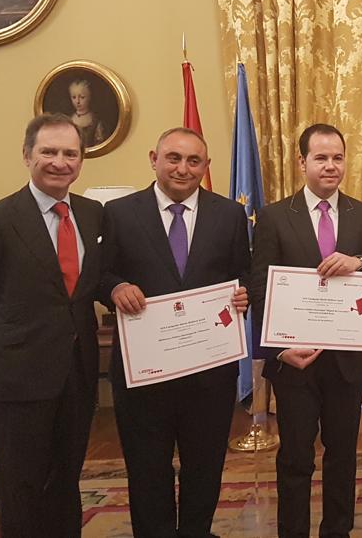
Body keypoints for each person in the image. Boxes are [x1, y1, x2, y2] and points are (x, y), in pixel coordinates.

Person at [0, 114, 103, 537]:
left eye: (70, 153)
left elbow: (94, 284)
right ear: (27, 156)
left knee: (66, 481)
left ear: (81, 160)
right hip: (16, 379)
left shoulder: (92, 216)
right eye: (49, 152)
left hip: (75, 374)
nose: (60, 162)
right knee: (21, 487)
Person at [100, 127, 251, 538]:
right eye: (173, 158)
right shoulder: (118, 213)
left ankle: (196, 532)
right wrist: (115, 287)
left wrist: (245, 295)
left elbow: (244, 273)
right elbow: (99, 273)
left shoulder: (229, 214)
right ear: (154, 158)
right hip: (144, 373)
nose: (183, 169)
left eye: (193, 161)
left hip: (209, 371)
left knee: (205, 465)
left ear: (206, 167)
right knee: (148, 467)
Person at [253, 123, 362, 538]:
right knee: (295, 457)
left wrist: (358, 262)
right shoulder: (275, 216)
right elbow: (259, 287)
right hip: (295, 361)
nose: (331, 166)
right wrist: (277, 351)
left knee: (342, 455)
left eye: (338, 158)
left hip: (347, 360)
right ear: (302, 162)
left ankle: (338, 531)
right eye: (321, 158)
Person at [67, 78, 109, 147]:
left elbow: (99, 143)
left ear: (89, 97)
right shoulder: (68, 119)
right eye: (74, 97)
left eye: (82, 97)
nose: (77, 101)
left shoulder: (95, 121)